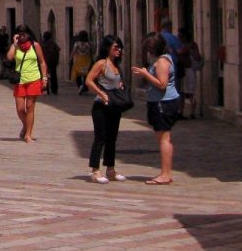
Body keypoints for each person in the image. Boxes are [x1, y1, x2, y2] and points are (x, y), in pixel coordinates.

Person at [133, 32, 180, 185]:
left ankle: (165, 174)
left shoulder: (162, 62)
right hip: (163, 102)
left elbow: (162, 84)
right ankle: (166, 172)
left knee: (164, 139)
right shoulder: (166, 59)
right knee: (165, 138)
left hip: (163, 103)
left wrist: (145, 74)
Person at [84, 35, 129, 184]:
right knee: (100, 138)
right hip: (100, 107)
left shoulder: (117, 65)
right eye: (116, 47)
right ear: (108, 48)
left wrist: (120, 86)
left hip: (114, 106)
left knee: (112, 138)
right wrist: (101, 93)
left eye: (120, 47)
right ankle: (95, 171)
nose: (119, 50)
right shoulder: (101, 64)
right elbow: (89, 81)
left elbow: (116, 82)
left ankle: (111, 169)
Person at [5, 24, 49, 143]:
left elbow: (42, 62)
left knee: (30, 107)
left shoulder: (35, 46)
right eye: (20, 34)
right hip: (19, 80)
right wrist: (14, 44)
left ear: (29, 34)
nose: (22, 36)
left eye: (24, 33)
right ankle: (26, 126)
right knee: (20, 109)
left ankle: (28, 134)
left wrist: (44, 78)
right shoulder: (16, 47)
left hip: (34, 79)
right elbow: (9, 57)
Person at [179, 28, 203, 119]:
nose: (179, 38)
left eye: (180, 36)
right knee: (187, 92)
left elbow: (180, 52)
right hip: (186, 70)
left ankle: (190, 112)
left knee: (188, 91)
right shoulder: (190, 45)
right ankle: (187, 112)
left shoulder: (188, 46)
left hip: (188, 70)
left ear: (184, 37)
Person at [41, 31, 61, 95]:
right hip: (52, 62)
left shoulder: (43, 43)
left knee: (45, 75)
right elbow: (57, 51)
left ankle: (46, 89)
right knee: (53, 76)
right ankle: (54, 89)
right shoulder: (53, 43)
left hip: (45, 61)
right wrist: (57, 60)